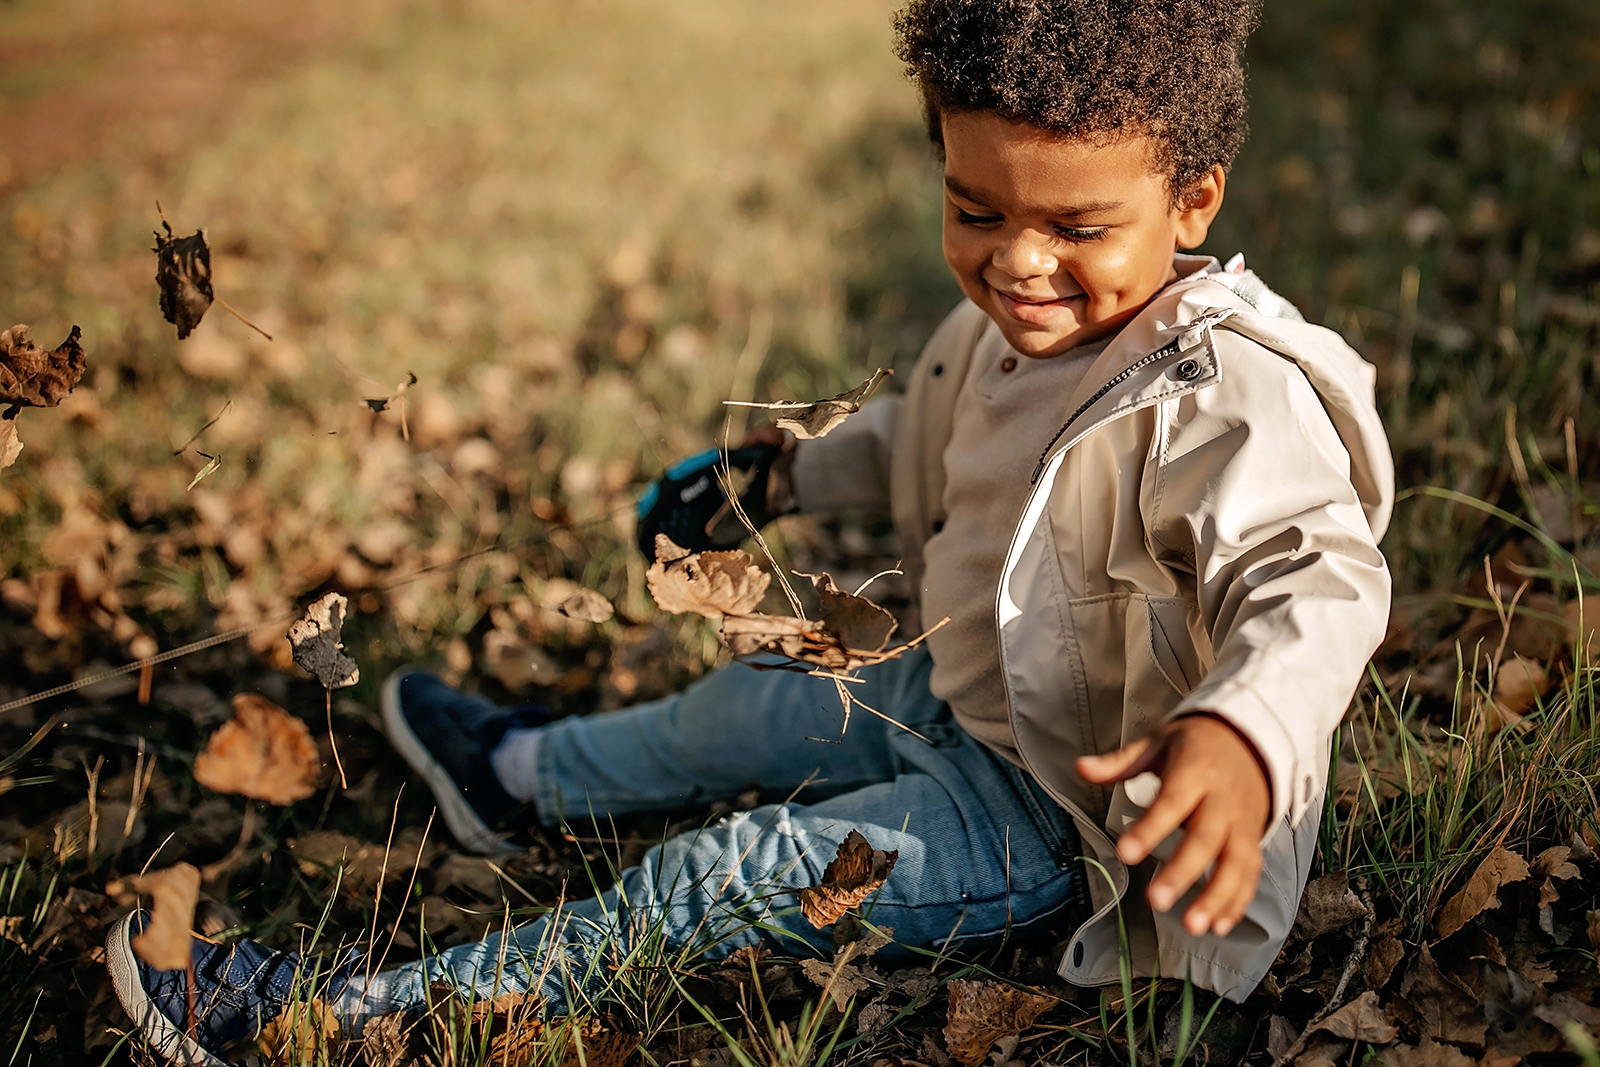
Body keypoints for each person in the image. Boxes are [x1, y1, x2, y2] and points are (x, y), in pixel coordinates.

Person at [107, 0, 1394, 1059]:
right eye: (977, 209)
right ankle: (516, 777)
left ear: (1193, 201)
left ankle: (343, 1026)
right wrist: (781, 476)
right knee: (746, 704)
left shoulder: (1224, 394)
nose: (1018, 264)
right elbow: (933, 437)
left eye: (1077, 227)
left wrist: (1242, 732)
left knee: (729, 872)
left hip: (1069, 812)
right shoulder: (1006, 331)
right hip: (967, 688)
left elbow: (1315, 574)